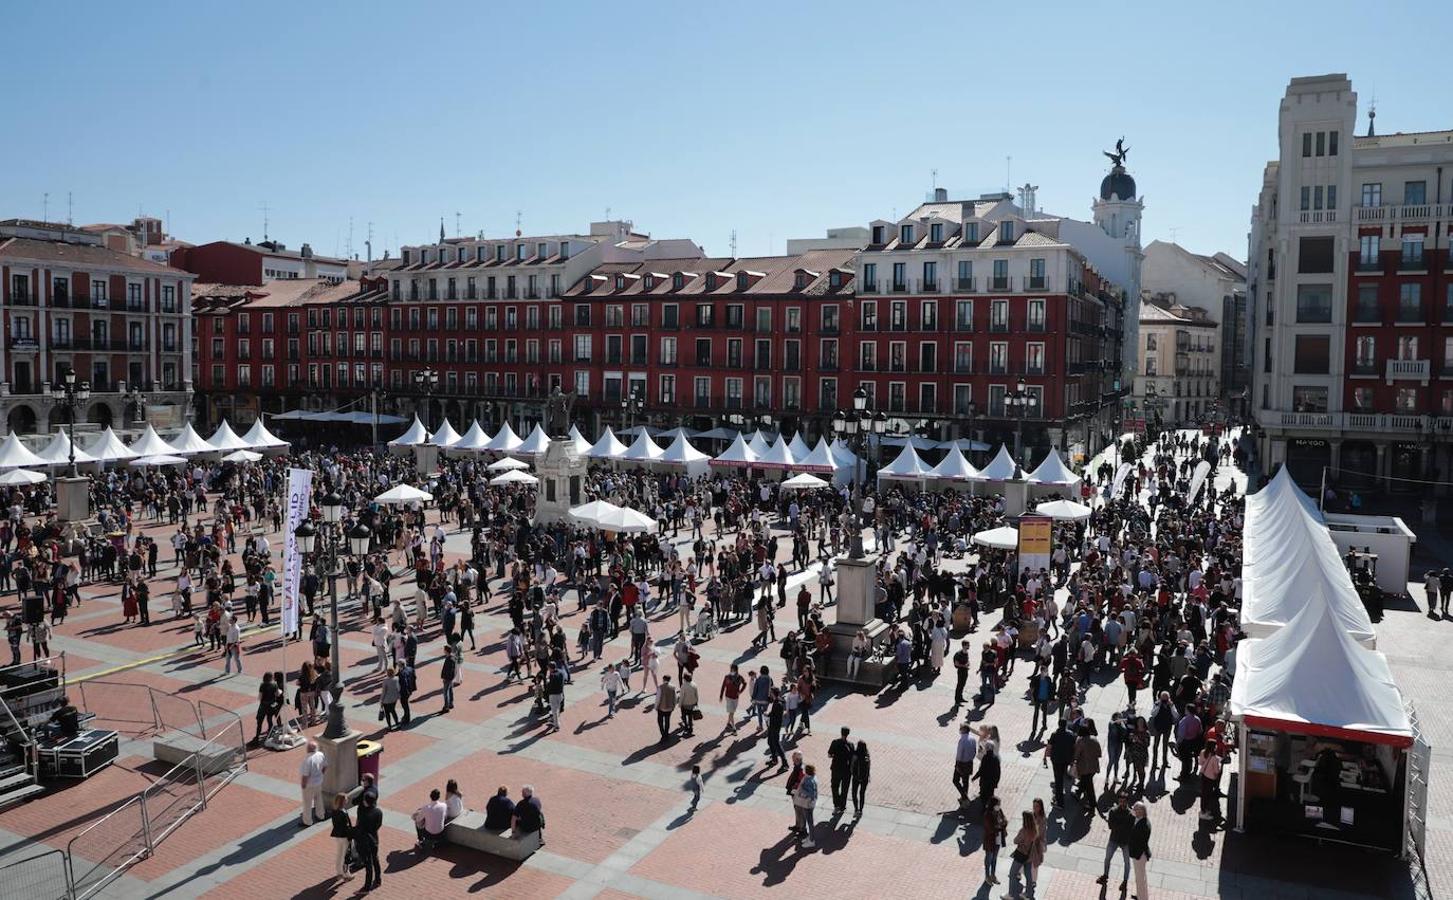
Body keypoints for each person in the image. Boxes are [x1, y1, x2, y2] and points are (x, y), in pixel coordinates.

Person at [1098, 792, 1134, 891]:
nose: (1122, 803)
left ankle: (1125, 881)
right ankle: (1105, 876)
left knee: (1127, 862)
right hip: (1114, 839)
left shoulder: (1131, 815)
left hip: (1125, 841)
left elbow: (1130, 829)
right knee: (1107, 858)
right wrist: (1122, 826)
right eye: (1120, 801)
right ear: (1118, 801)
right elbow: (1111, 826)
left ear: (1127, 802)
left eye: (1124, 802)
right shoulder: (1113, 811)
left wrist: (1118, 825)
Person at [354, 790, 384, 891]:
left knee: (368, 863)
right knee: (375, 859)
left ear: (366, 801)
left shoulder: (364, 815)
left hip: (365, 842)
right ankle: (378, 879)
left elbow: (360, 829)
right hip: (374, 839)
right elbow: (378, 825)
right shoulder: (378, 812)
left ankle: (367, 886)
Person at [1006, 809, 1038, 899]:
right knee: (1028, 875)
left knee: (1012, 874)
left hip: (1021, 855)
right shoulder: (1035, 829)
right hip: (1030, 855)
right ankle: (1028, 894)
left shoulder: (1024, 831)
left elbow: (1015, 840)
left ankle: (1010, 894)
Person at [299, 740, 328, 827]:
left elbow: (305, 775)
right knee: (319, 799)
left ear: (308, 749)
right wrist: (321, 774)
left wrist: (303, 784)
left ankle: (307, 821)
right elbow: (325, 766)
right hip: (319, 782)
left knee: (307, 803)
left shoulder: (307, 760)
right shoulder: (320, 754)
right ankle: (320, 815)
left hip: (310, 784)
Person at [827, 726, 854, 815]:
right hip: (847, 770)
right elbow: (852, 758)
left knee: (834, 787)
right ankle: (842, 806)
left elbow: (829, 755)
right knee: (844, 789)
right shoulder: (851, 745)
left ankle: (836, 805)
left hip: (836, 769)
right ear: (848, 734)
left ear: (841, 732)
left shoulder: (835, 742)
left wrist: (835, 756)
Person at [1129, 801, 1153, 899]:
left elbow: (1140, 841)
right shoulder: (1140, 820)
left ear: (1141, 811)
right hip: (1139, 854)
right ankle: (1140, 896)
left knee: (1140, 878)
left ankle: (1142, 898)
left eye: (1135, 809)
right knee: (1140, 877)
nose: (1133, 810)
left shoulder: (1144, 825)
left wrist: (1136, 855)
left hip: (1139, 855)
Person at [982, 795, 1007, 887]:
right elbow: (991, 828)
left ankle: (993, 875)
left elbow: (1005, 820)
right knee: (989, 858)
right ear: (993, 804)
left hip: (998, 838)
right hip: (990, 840)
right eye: (998, 804)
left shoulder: (999, 811)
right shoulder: (987, 815)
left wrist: (1001, 824)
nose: (999, 806)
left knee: (994, 858)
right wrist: (1000, 825)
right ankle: (987, 876)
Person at [329, 792, 354, 882]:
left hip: (337, 835)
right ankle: (346, 874)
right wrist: (351, 835)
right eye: (346, 799)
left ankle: (339, 872)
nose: (347, 800)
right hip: (344, 836)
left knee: (339, 854)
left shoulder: (334, 810)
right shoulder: (343, 812)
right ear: (343, 801)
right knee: (346, 855)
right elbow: (346, 826)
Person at [794, 763, 820, 849]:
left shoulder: (809, 781)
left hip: (808, 804)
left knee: (810, 822)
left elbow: (811, 794)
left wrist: (802, 791)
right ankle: (810, 838)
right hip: (809, 803)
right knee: (809, 822)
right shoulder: (813, 778)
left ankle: (812, 840)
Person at [953, 722, 977, 808]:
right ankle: (964, 798)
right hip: (969, 762)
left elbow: (959, 754)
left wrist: (957, 764)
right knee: (965, 781)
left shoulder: (962, 740)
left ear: (963, 730)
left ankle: (964, 797)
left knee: (955, 780)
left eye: (961, 728)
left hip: (961, 763)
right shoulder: (973, 739)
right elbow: (974, 751)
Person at [1198, 744, 1223, 824]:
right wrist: (1220, 766)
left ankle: (1203, 810)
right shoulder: (1215, 758)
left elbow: (1200, 762)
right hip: (1211, 778)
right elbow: (1216, 771)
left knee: (1204, 794)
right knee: (1207, 795)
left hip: (1204, 776)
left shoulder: (1203, 752)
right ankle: (1204, 812)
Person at [974, 739, 1001, 805]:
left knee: (983, 796)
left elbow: (981, 770)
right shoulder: (996, 758)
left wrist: (975, 777)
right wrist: (996, 782)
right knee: (990, 795)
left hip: (985, 781)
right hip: (992, 781)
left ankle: (984, 808)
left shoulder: (985, 758)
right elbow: (998, 772)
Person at [849, 739, 871, 816]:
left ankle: (856, 809)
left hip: (856, 777)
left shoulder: (855, 755)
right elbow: (868, 767)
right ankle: (861, 810)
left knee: (854, 793)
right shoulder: (867, 755)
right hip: (865, 778)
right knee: (862, 793)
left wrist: (852, 774)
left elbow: (852, 766)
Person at [655, 674, 678, 741]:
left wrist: (656, 707)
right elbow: (675, 698)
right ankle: (666, 733)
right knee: (667, 721)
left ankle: (663, 733)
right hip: (669, 708)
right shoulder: (673, 687)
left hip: (661, 708)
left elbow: (658, 698)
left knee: (660, 721)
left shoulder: (660, 687)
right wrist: (673, 706)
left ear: (663, 679)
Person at [679, 672, 699, 737]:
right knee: (690, 716)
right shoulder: (694, 685)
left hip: (685, 704)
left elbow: (681, 696)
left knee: (684, 715)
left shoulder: (683, 686)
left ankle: (686, 726)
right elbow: (696, 695)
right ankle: (690, 728)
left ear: (685, 679)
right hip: (692, 703)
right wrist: (696, 702)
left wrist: (680, 704)